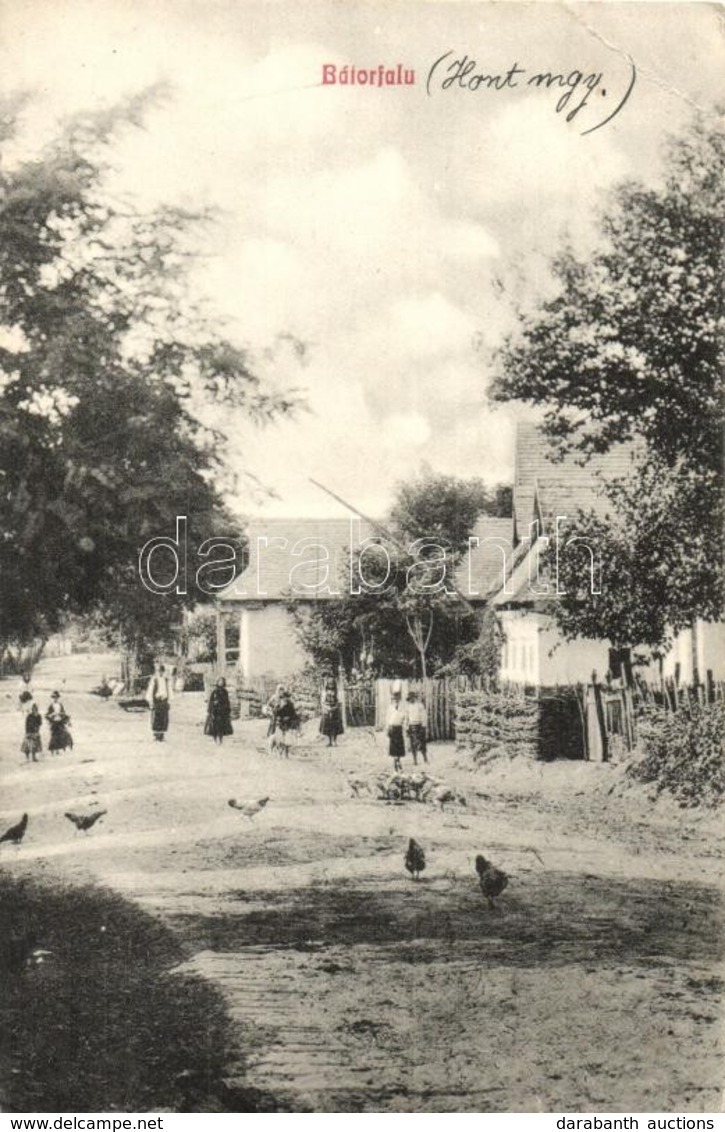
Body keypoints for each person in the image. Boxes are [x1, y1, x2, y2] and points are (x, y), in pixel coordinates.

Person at [146, 663, 172, 742]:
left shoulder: (166, 680)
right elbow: (150, 691)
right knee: (156, 718)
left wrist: (169, 700)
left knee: (163, 718)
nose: (160, 673)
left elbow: (169, 690)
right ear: (157, 672)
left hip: (164, 701)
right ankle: (156, 735)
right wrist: (150, 701)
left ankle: (162, 735)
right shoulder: (154, 680)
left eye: (162, 671)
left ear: (164, 672)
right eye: (159, 671)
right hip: (156, 700)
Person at [204, 677, 233, 745]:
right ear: (217, 682)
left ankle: (220, 739)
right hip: (215, 711)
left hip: (222, 711)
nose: (220, 683)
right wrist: (210, 709)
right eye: (219, 681)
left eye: (222, 681)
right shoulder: (215, 692)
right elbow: (211, 701)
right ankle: (215, 739)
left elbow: (227, 701)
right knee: (214, 726)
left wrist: (228, 710)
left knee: (221, 726)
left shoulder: (225, 692)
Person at [405, 690, 428, 766]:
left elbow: (424, 716)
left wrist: (423, 726)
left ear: (415, 698)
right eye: (410, 698)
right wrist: (407, 728)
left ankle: (425, 758)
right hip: (412, 726)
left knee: (422, 743)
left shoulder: (420, 705)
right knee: (413, 744)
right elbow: (406, 718)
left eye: (413, 698)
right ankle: (415, 760)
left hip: (420, 725)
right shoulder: (407, 707)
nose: (411, 699)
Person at [319, 675, 344, 747]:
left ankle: (334, 740)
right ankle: (329, 741)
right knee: (327, 726)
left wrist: (335, 708)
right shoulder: (324, 691)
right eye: (329, 683)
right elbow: (322, 701)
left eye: (332, 683)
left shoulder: (337, 691)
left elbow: (340, 701)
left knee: (335, 726)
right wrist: (326, 708)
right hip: (326, 709)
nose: (330, 684)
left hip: (335, 708)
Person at [386, 690, 406, 772]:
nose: (396, 700)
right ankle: (395, 762)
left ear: (400, 699)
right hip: (392, 727)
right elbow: (387, 719)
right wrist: (387, 728)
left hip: (399, 728)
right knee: (393, 746)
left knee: (399, 745)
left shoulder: (402, 708)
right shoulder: (390, 707)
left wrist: (404, 726)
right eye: (394, 699)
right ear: (393, 699)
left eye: (398, 699)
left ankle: (398, 760)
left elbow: (405, 718)